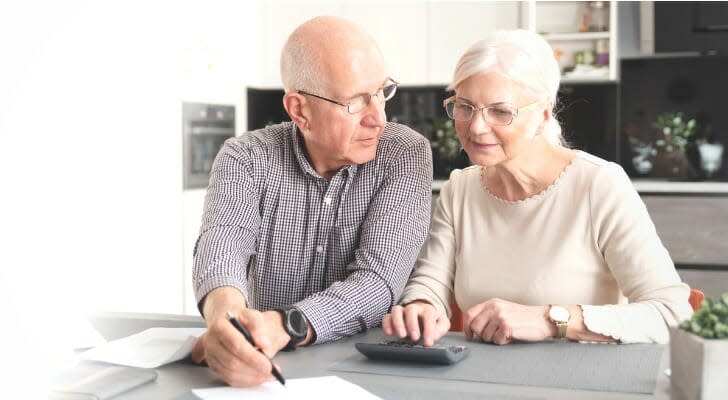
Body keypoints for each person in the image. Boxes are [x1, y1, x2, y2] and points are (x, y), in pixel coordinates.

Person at [382, 29, 693, 347]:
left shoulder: (598, 185)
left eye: (501, 112)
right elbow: (431, 283)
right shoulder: (459, 190)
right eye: (464, 107)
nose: (475, 127)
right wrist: (419, 306)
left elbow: (672, 313)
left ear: (543, 114)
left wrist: (550, 319)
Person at [190, 16, 433, 386]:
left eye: (382, 91)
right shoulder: (245, 157)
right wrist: (228, 323)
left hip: (371, 374)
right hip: (267, 373)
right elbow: (223, 247)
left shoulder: (404, 154)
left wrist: (283, 324)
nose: (378, 118)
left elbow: (377, 281)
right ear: (299, 110)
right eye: (355, 102)